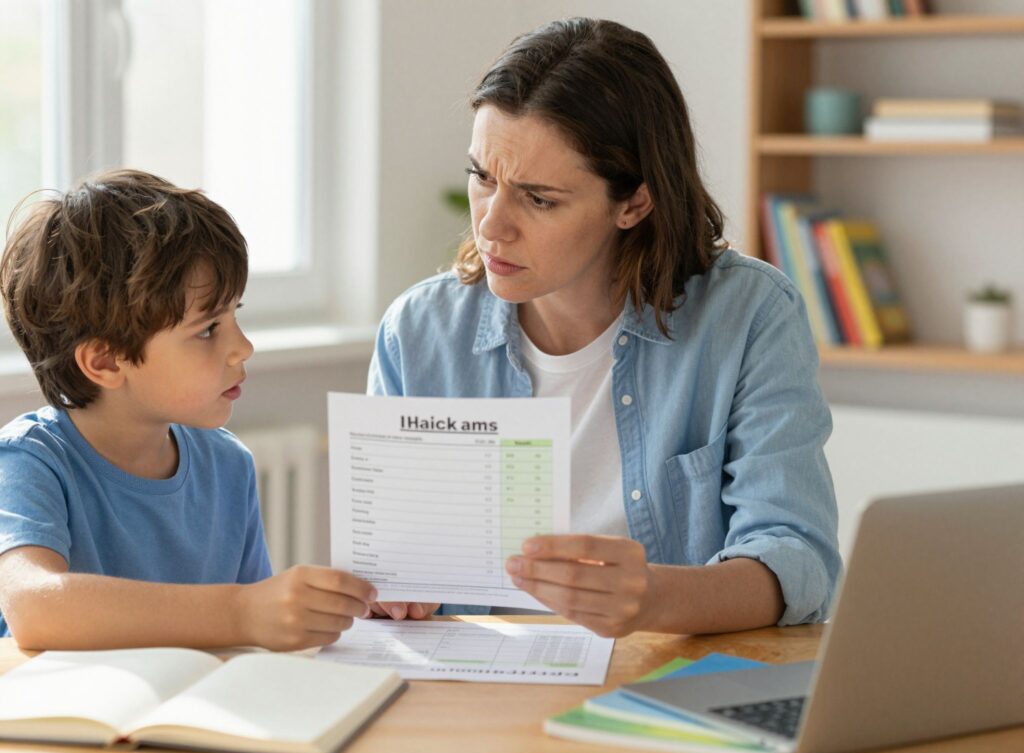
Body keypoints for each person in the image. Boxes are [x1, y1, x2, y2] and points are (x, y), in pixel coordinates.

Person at [368, 18, 841, 637]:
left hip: (670, 674)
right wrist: (395, 590)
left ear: (634, 202)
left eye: (539, 199)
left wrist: (654, 598)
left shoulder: (749, 315)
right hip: (480, 679)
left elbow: (797, 559)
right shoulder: (418, 333)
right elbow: (396, 568)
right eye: (483, 177)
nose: (490, 226)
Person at [0, 169, 376, 650]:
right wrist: (241, 612)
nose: (243, 347)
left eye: (235, 315)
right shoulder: (29, 462)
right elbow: (34, 606)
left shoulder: (228, 464)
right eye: (207, 330)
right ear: (106, 362)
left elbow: (248, 646)